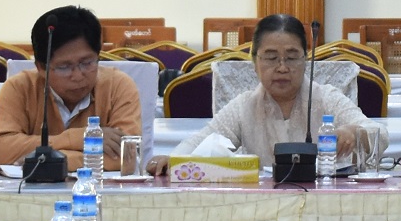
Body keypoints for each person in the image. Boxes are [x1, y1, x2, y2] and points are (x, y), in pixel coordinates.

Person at [166, 13, 387, 166]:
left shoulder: (326, 98)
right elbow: (200, 142)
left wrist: (353, 132)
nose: (282, 68)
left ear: (305, 60)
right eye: (271, 58)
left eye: (291, 58)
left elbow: (381, 135)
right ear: (255, 63)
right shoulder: (245, 106)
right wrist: (171, 160)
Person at [0, 5, 145, 170]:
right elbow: (1, 151)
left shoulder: (118, 86)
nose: (77, 76)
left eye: (87, 63)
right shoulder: (19, 88)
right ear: (41, 67)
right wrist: (77, 138)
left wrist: (49, 160)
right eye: (64, 67)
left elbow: (126, 156)